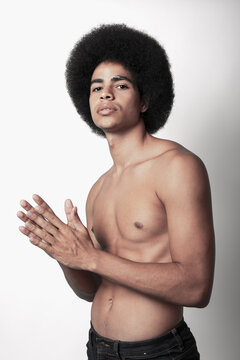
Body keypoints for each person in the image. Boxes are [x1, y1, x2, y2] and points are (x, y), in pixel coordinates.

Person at [17, 24, 215, 359]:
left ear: (145, 100)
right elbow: (92, 289)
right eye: (97, 87)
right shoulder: (99, 188)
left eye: (120, 85)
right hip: (98, 348)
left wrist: (91, 257)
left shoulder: (177, 167)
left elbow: (197, 287)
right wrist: (66, 256)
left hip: (159, 352)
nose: (105, 94)